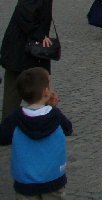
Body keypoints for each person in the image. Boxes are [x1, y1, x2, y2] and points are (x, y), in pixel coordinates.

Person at [0, 0, 60, 119]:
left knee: (39, 81)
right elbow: (24, 14)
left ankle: (48, 117)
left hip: (26, 48)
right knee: (16, 88)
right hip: (20, 48)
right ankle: (8, 128)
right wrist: (40, 36)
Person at [0, 67, 73, 199]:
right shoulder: (55, 115)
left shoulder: (16, 118)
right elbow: (68, 129)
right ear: (46, 92)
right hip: (53, 178)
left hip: (25, 181)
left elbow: (3, 137)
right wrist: (52, 107)